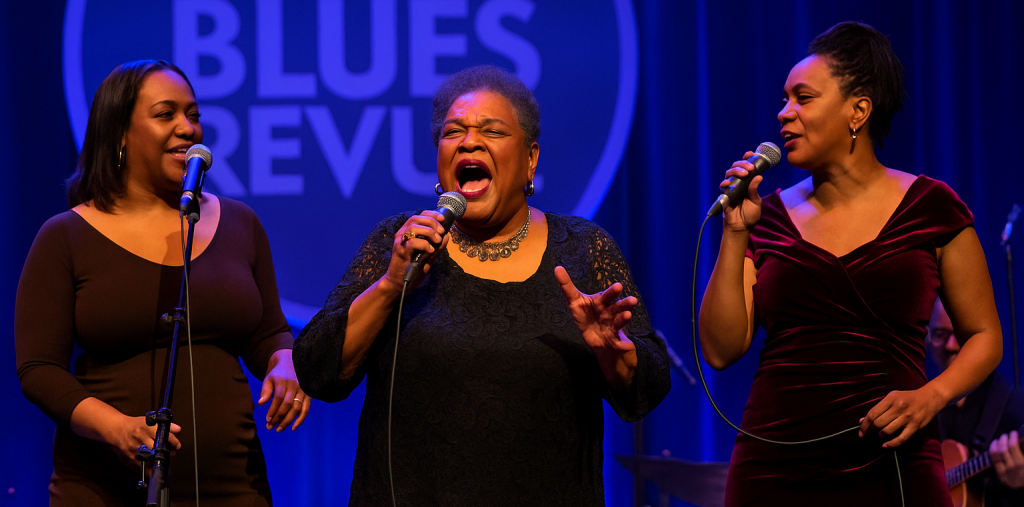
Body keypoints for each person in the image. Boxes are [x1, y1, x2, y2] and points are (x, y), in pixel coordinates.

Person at [293, 65, 671, 506]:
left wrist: (612, 353)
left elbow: (648, 386)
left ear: (530, 159)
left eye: (492, 131)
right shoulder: (398, 244)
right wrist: (392, 285)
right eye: (453, 132)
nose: (469, 142)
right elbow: (318, 371)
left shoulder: (584, 248)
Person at [698, 22, 1003, 506]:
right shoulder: (768, 217)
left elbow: (985, 337)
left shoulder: (931, 207)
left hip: (893, 460)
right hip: (774, 465)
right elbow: (719, 349)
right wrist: (736, 231)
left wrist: (931, 397)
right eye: (783, 100)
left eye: (803, 98)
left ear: (858, 110)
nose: (784, 114)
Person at [14, 60, 310, 506]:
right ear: (119, 134)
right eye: (165, 114)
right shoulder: (66, 236)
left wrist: (284, 361)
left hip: (233, 483)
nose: (187, 128)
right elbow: (39, 369)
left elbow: (267, 331)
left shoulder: (240, 224)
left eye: (193, 115)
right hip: (104, 486)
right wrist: (117, 428)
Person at [927, 298, 1024, 507]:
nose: (951, 346)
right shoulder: (926, 405)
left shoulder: (1015, 408)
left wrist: (1020, 484)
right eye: (939, 335)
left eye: (960, 334)